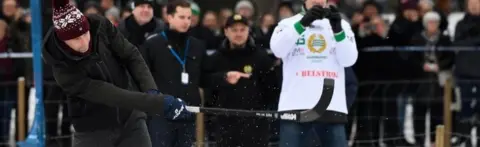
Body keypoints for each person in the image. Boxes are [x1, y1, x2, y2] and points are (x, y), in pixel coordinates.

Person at [41, 0, 191, 146]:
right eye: (76, 39)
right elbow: (112, 95)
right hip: (93, 131)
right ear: (63, 41)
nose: (84, 42)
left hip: (131, 122)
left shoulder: (100, 26)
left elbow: (131, 55)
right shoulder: (64, 72)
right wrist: (159, 103)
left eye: (86, 33)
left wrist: (151, 91)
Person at [269, 0, 358, 146]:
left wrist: (338, 31)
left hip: (331, 106)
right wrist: (302, 24)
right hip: (295, 105)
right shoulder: (288, 23)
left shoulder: (341, 24)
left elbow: (349, 60)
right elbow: (277, 50)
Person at [139, 1, 205, 146]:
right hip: (161, 114)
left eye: (189, 18)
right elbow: (142, 77)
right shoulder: (153, 44)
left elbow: (205, 78)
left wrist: (224, 77)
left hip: (188, 113)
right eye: (181, 17)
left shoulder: (197, 46)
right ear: (169, 17)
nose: (186, 21)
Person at [208, 14, 276, 147]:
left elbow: (272, 88)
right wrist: (223, 78)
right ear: (226, 32)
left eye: (242, 29)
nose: (238, 34)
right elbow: (207, 84)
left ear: (248, 31)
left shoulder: (261, 57)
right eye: (234, 30)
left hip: (256, 123)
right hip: (225, 122)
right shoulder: (216, 58)